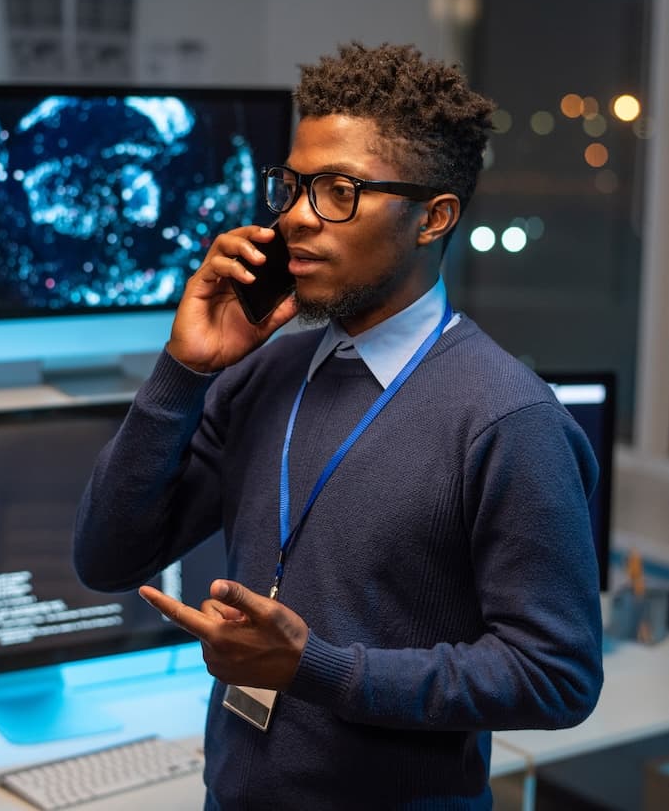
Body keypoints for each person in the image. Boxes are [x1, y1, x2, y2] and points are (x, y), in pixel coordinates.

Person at [74, 42, 603, 810]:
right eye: (292, 187)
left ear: (434, 217)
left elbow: (555, 678)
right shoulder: (261, 375)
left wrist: (314, 667)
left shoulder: (507, 417)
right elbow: (107, 558)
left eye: (338, 191)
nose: (293, 217)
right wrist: (183, 369)